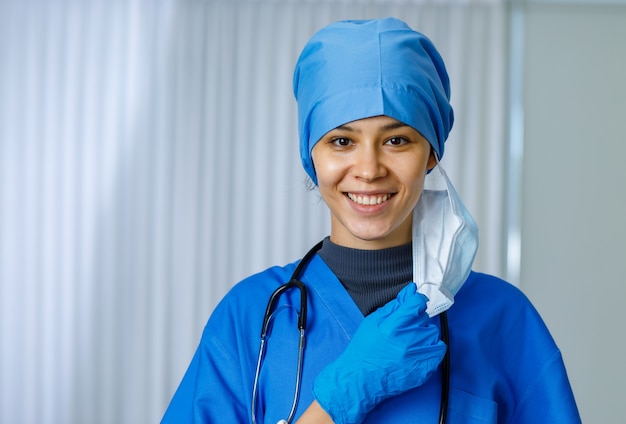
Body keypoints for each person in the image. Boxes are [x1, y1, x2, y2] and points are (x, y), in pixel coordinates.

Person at [161, 17, 581, 423]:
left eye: (397, 140)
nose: (368, 168)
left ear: (431, 153)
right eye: (341, 141)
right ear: (312, 157)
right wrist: (337, 402)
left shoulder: (504, 320)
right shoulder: (252, 316)